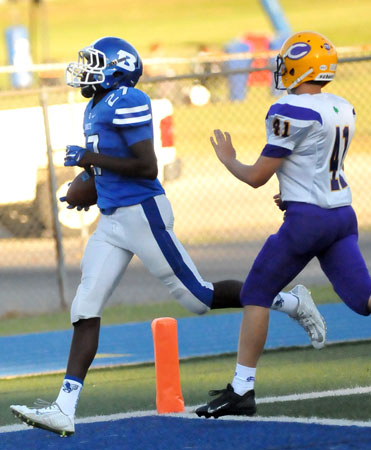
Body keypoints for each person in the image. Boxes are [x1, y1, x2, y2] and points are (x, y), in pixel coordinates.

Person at [10, 36, 325, 436]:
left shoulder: (129, 100)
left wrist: (89, 160)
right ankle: (64, 407)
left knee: (198, 298)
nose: (85, 68)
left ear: (117, 69)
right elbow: (104, 168)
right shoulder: (94, 105)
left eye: (94, 62)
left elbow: (145, 167)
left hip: (143, 214)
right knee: (84, 306)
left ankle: (288, 299)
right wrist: (83, 187)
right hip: (111, 221)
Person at [195, 31, 371, 419]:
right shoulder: (343, 106)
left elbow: (258, 175)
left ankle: (241, 390)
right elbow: (315, 164)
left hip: (308, 221)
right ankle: (240, 390)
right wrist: (291, 192)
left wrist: (228, 159)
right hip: (342, 215)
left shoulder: (291, 109)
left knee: (256, 292)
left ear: (298, 66)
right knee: (364, 300)